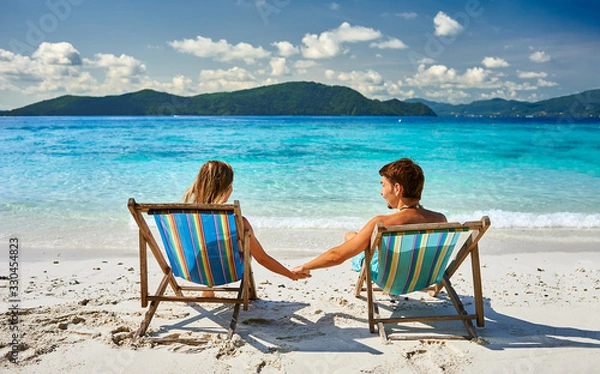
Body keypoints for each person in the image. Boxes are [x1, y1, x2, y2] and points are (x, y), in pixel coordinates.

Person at [292, 158, 446, 279]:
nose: (381, 192)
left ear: (397, 188)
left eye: (383, 185)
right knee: (352, 236)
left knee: (350, 237)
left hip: (391, 278)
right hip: (426, 277)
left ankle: (355, 239)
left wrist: (305, 267)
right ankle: (355, 239)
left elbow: (336, 257)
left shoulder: (382, 223)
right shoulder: (441, 220)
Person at [185, 160, 311, 283]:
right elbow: (262, 258)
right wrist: (290, 275)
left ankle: (208, 291)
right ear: (227, 189)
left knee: (212, 244)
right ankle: (241, 288)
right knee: (241, 246)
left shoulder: (185, 219)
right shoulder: (237, 222)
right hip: (226, 273)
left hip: (195, 272)